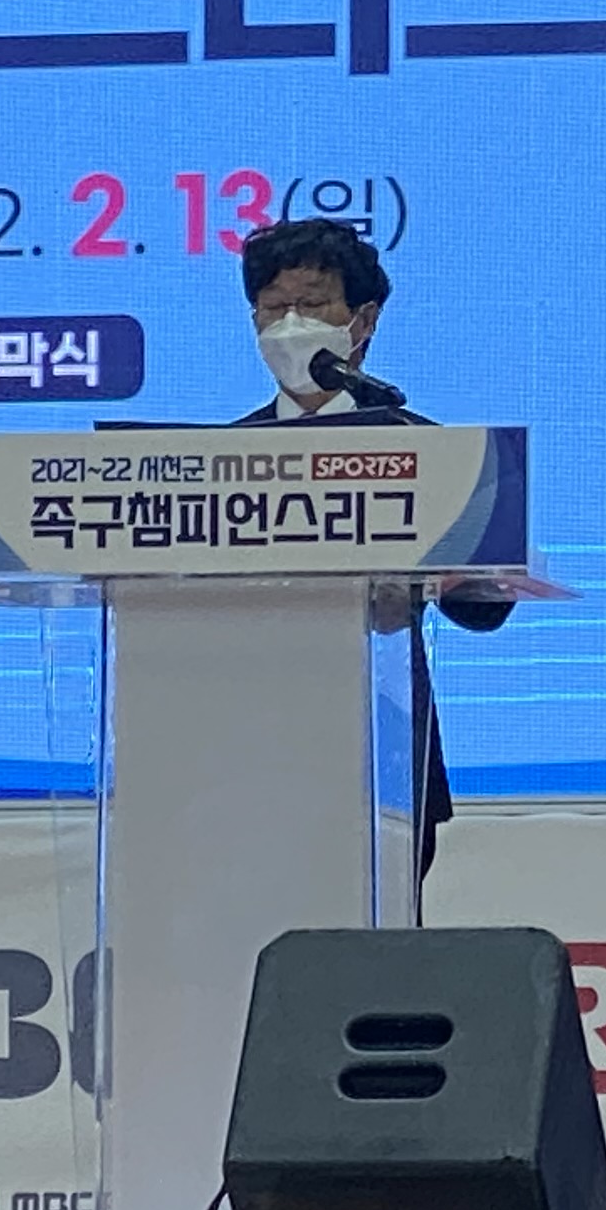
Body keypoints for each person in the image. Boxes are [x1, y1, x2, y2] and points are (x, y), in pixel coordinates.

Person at [230, 217, 506, 873]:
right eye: (274, 307)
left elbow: (486, 608)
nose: (291, 325)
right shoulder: (220, 459)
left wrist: (433, 573)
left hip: (387, 758)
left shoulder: (430, 451)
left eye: (312, 304)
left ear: (364, 320)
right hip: (239, 756)